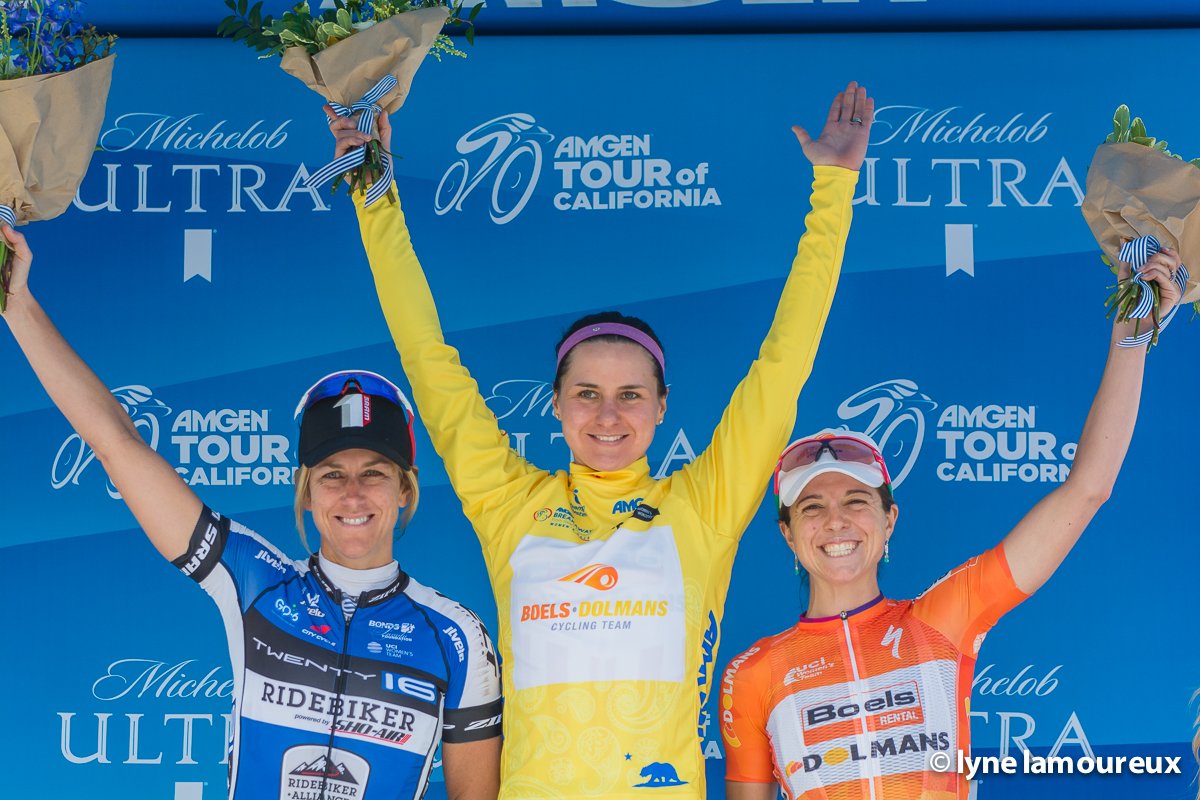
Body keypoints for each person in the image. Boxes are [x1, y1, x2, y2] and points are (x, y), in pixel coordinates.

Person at [332, 82, 873, 798]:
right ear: (556, 405)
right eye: (587, 394)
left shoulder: (703, 507)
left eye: (630, 396)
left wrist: (833, 187)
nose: (608, 415)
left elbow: (785, 360)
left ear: (661, 409)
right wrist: (372, 187)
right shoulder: (508, 503)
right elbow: (424, 352)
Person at [0, 226, 502, 800]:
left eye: (375, 474)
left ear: (406, 491)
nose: (354, 495)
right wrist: (18, 306)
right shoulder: (254, 581)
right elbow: (117, 444)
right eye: (332, 475)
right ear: (306, 492)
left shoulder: (456, 636)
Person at [719, 249, 1185, 799]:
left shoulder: (941, 620)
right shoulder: (752, 674)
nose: (836, 522)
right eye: (812, 507)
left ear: (889, 520)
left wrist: (1132, 338)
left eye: (857, 501)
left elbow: (1088, 489)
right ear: (788, 533)